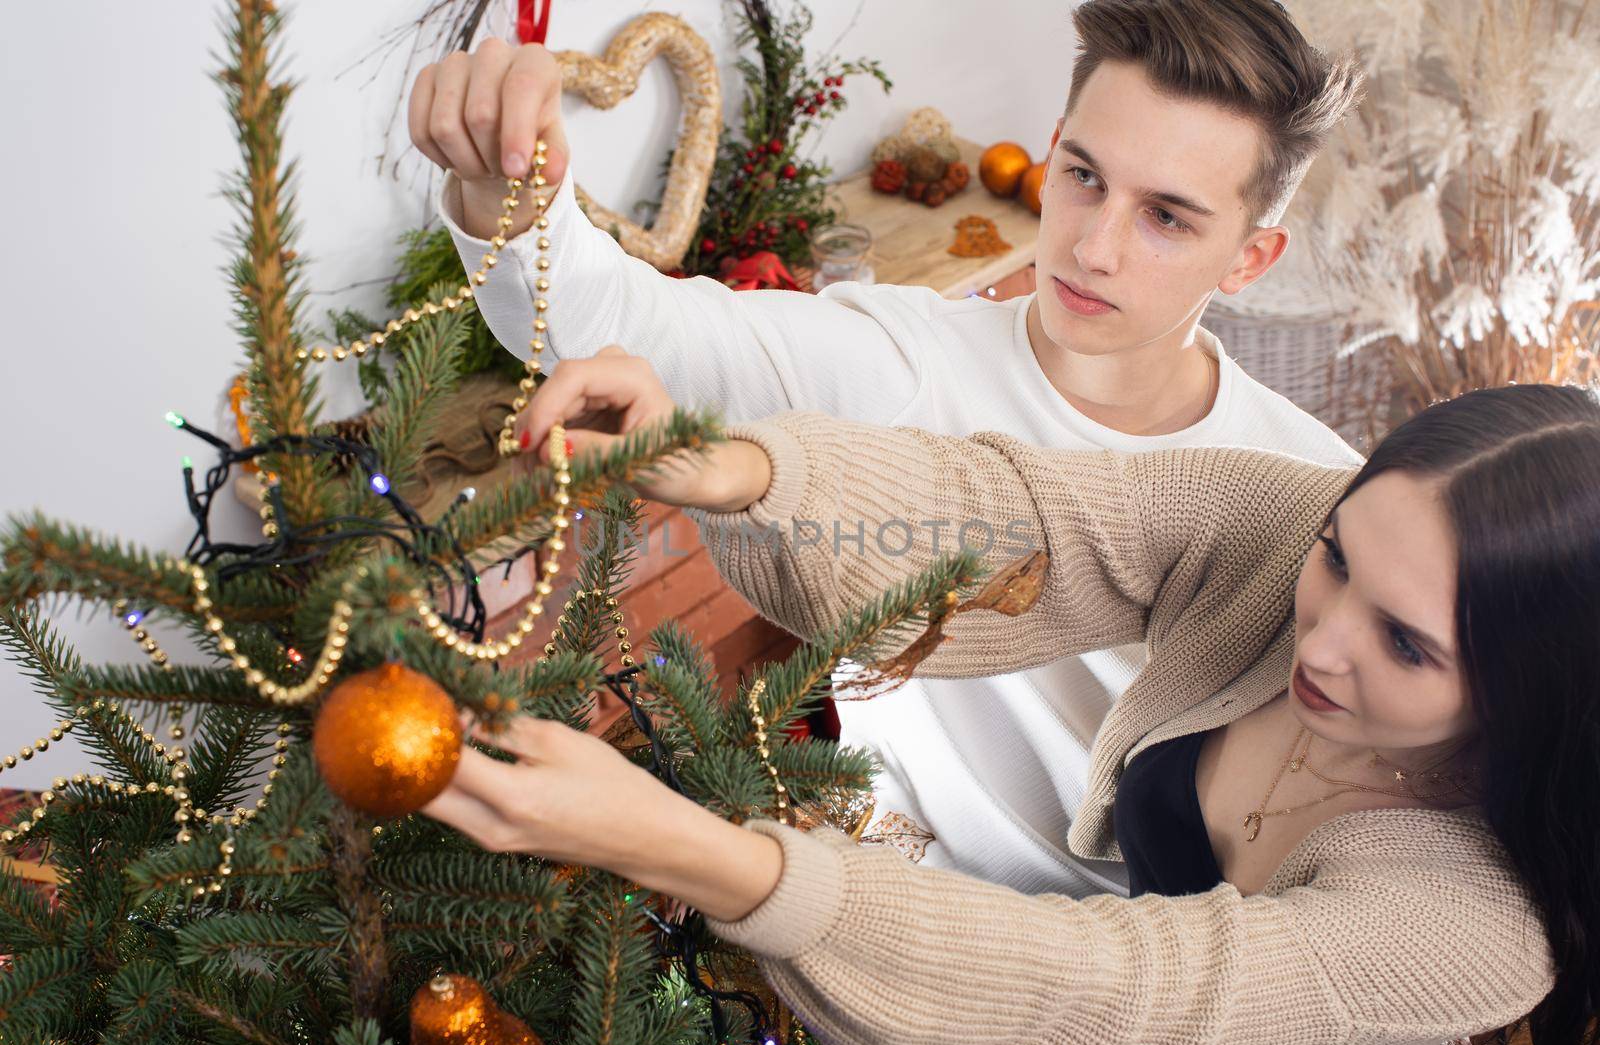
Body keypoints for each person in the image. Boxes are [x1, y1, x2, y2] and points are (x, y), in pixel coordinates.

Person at [407, 0, 1364, 896]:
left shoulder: (1318, 501)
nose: (1093, 247)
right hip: (877, 902)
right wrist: (505, 190)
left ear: (1249, 257)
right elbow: (611, 315)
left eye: (1165, 215)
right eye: (1083, 176)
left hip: (1147, 963)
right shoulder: (904, 358)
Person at [424, 358, 1600, 1045]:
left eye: (1404, 641)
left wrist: (686, 848)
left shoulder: (1473, 926)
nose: (1323, 634)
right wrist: (741, 470)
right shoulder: (1287, 527)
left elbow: (1118, 997)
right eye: (1337, 556)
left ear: (1527, 682)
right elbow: (1027, 518)